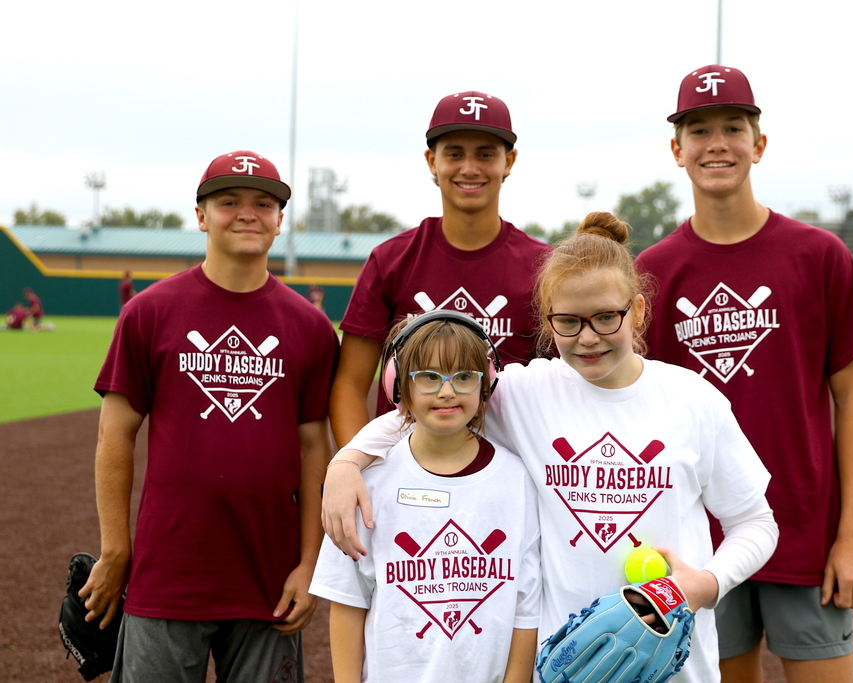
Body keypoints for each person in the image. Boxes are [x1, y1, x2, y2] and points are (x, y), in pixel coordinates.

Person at [324, 213, 780, 683]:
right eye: (568, 321)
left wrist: (706, 585)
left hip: (672, 668)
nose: (587, 337)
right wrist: (346, 462)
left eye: (607, 317)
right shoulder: (525, 393)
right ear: (546, 320)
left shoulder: (693, 399)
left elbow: (755, 523)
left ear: (638, 311)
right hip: (558, 668)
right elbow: (429, 409)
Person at [634, 65, 853, 683]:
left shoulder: (819, 255)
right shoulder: (654, 270)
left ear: (759, 144)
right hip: (703, 540)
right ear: (677, 149)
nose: (716, 143)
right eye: (698, 130)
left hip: (806, 527)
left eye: (733, 128)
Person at [80, 150, 339, 682]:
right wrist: (115, 550)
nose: (247, 213)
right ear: (201, 216)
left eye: (263, 203)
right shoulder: (150, 312)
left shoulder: (310, 326)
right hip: (169, 570)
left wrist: (310, 564)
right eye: (228, 202)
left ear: (279, 220)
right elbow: (114, 434)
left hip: (269, 575)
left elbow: (316, 448)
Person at [310, 312, 541, 683]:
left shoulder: (518, 482)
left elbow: (526, 609)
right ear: (399, 387)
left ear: (487, 385)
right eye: (429, 377)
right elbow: (348, 602)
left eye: (464, 376)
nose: (447, 391)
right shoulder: (368, 484)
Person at [329, 90, 551, 450]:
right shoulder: (391, 260)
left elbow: (562, 388)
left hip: (509, 473)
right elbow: (351, 384)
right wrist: (359, 465)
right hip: (406, 473)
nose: (469, 168)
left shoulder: (542, 267)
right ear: (432, 161)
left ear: (508, 162)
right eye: (454, 153)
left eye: (485, 154)